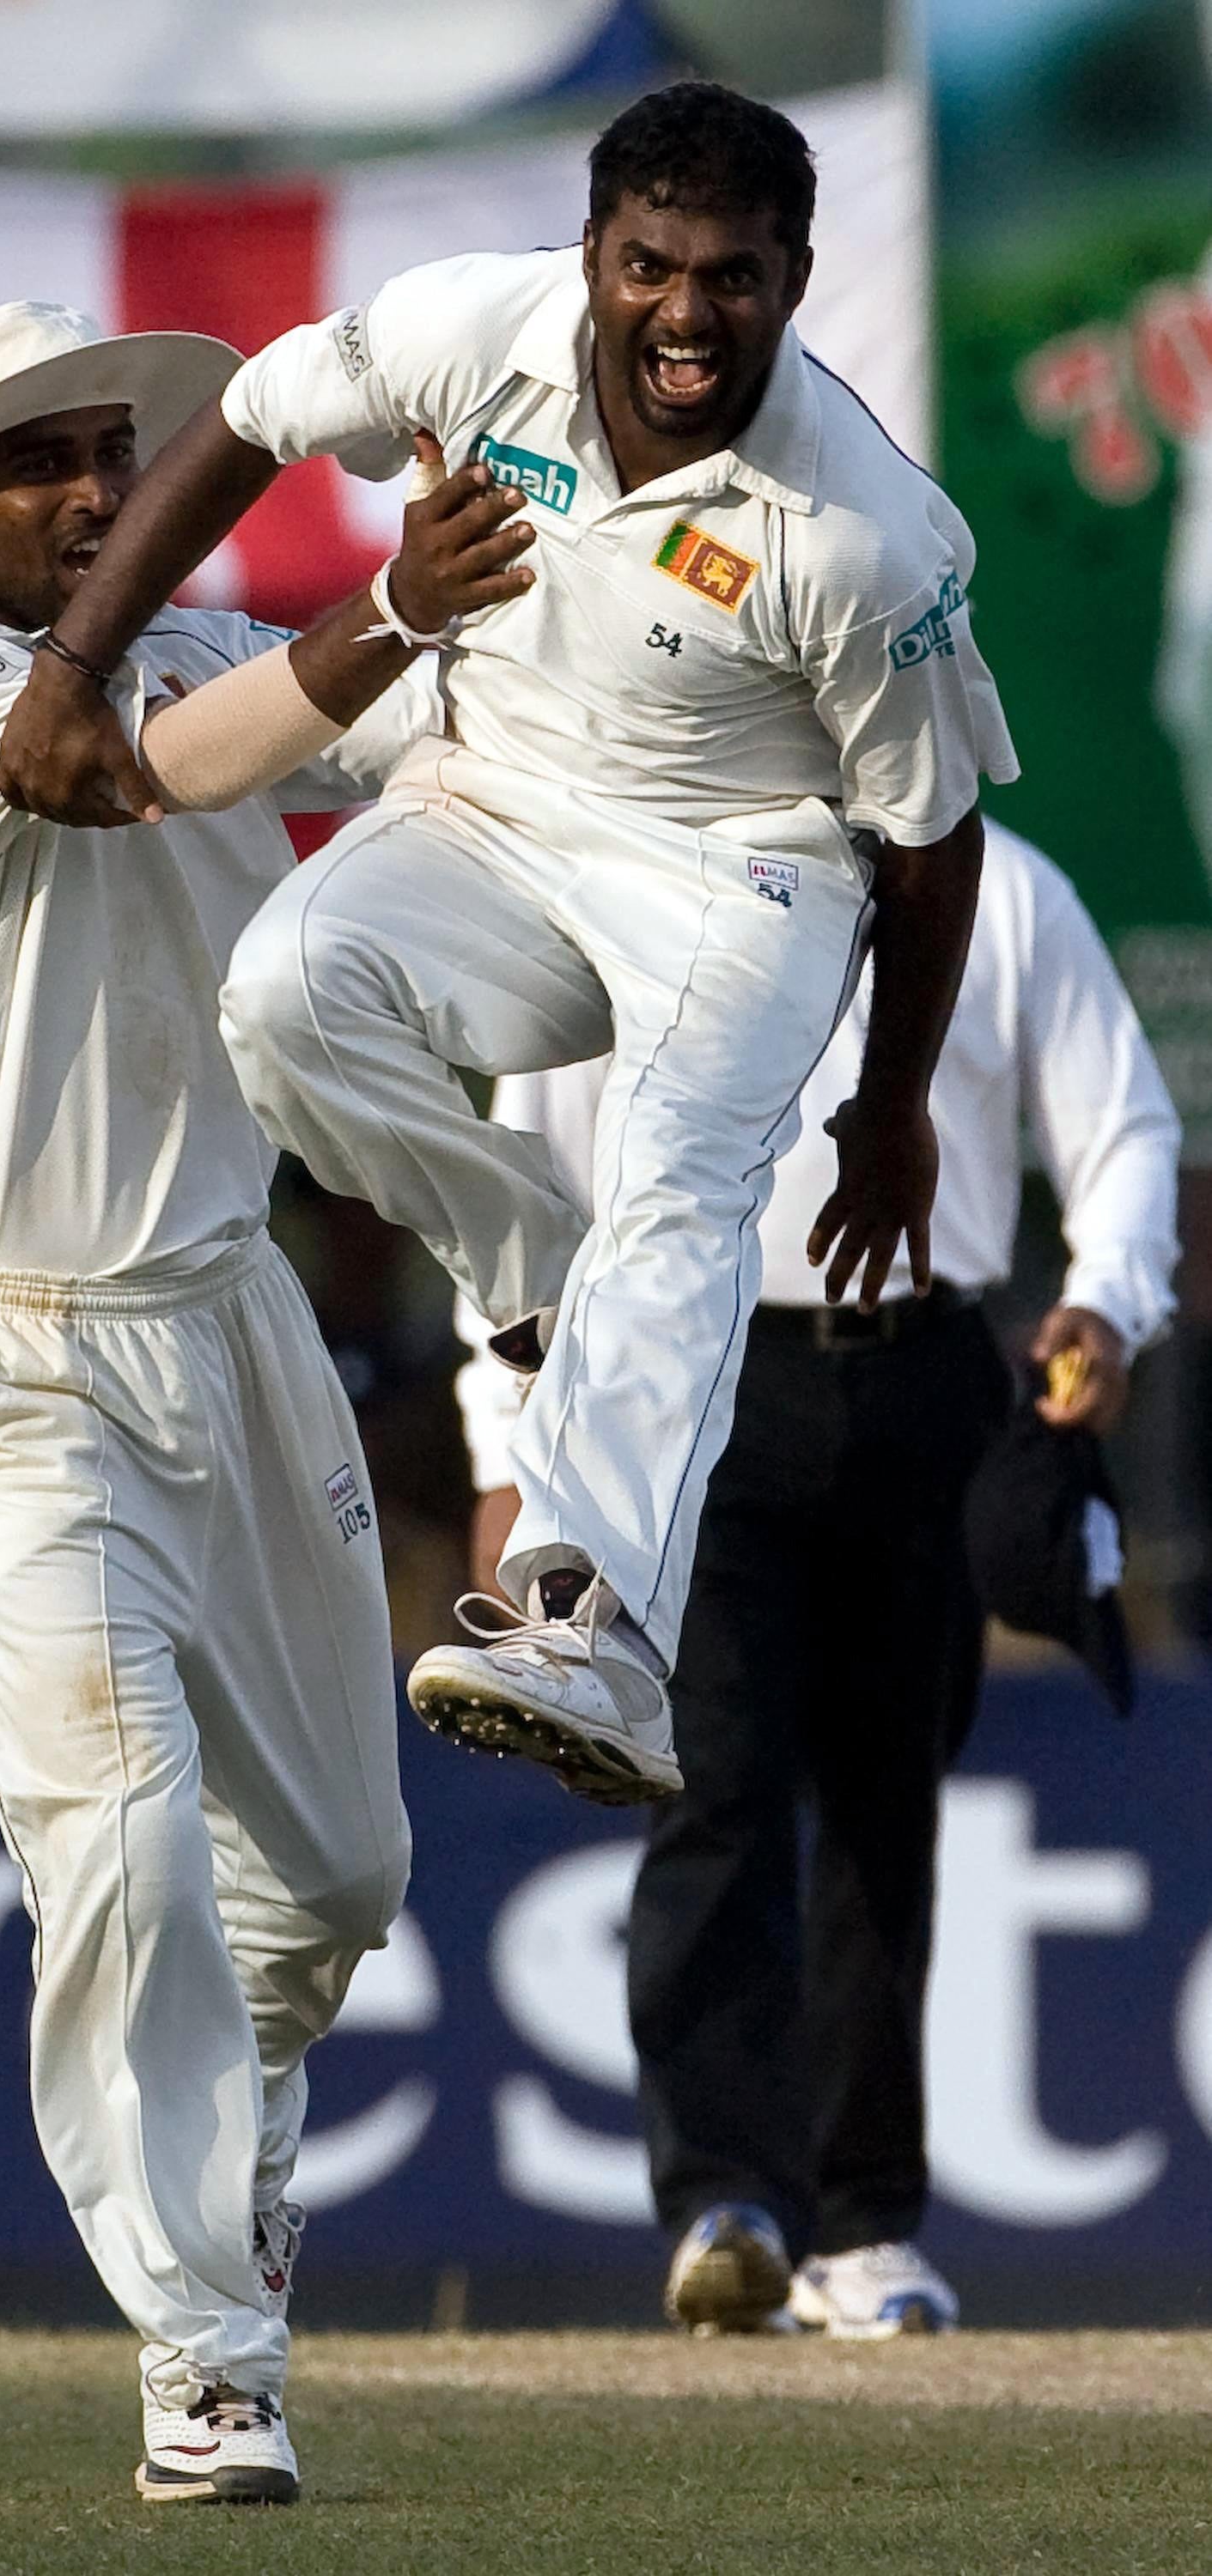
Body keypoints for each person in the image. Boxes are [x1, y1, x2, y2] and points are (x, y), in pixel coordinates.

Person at [0, 82, 1019, 1811]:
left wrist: (891, 1107)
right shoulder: (470, 328)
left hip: (744, 865)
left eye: (734, 275)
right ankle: (533, 1261)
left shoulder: (866, 532)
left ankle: (597, 1630)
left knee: (687, 1168)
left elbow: (925, 835)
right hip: (490, 792)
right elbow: (245, 420)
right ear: (594, 253)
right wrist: (69, 669)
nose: (686, 312)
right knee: (288, 998)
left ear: (798, 273)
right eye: (650, 264)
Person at [0, 299, 532, 2503]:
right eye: (46, 465)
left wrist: (531, 662)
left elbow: (413, 763)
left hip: (228, 1315)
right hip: (10, 1351)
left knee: (329, 1882)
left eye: (115, 454)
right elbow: (108, 775)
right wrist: (380, 612)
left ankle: (242, 2156)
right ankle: (207, 2360)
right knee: (116, 1838)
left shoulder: (207, 637)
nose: (101, 491)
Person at [454, 818, 1181, 2336]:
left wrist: (1105, 1299)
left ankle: (863, 2227)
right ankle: (724, 2205)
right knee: (705, 1784)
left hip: (930, 1369)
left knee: (885, 1799)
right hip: (691, 1377)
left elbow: (1119, 1130)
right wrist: (503, 1454)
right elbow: (517, 1185)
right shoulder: (633, 879)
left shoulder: (1010, 894)